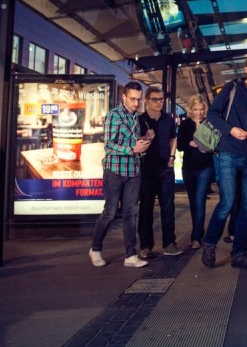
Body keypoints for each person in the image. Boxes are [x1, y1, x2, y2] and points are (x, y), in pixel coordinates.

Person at [201, 56, 247, 270]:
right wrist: (230, 129)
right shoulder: (232, 88)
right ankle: (209, 244)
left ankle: (239, 254)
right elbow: (213, 114)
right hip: (229, 152)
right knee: (228, 203)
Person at [89, 81, 151, 268]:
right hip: (115, 170)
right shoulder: (113, 116)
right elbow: (108, 145)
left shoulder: (136, 117)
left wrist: (144, 141)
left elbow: (133, 143)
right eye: (132, 99)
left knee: (131, 213)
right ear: (124, 97)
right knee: (109, 212)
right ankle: (95, 248)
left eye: (138, 100)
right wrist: (133, 148)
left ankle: (130, 255)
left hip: (133, 170)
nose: (135, 103)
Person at [137, 84, 180, 258]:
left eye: (161, 99)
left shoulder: (167, 120)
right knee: (146, 207)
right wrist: (146, 136)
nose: (158, 103)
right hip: (147, 169)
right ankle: (146, 245)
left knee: (168, 207)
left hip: (166, 168)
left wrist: (171, 158)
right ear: (146, 101)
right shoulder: (139, 120)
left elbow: (173, 139)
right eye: (155, 99)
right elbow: (136, 143)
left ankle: (169, 243)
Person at [179, 94, 213, 249]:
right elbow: (180, 145)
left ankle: (196, 237)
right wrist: (190, 143)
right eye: (196, 109)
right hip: (189, 167)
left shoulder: (209, 123)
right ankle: (199, 230)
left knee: (199, 201)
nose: (199, 112)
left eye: (201, 109)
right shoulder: (185, 124)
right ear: (190, 110)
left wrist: (209, 147)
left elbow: (214, 145)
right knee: (193, 202)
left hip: (205, 167)